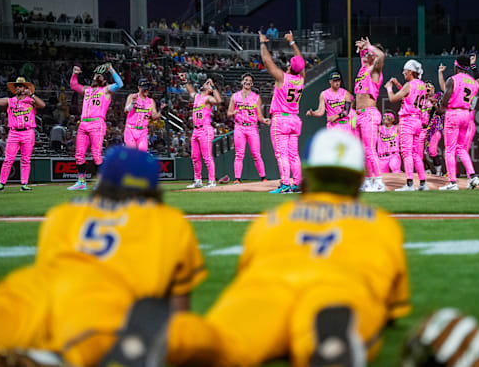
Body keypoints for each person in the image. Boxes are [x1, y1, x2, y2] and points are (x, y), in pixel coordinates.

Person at [162, 128, 410, 367]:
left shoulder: (274, 218)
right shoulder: (380, 223)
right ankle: (328, 345)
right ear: (358, 180)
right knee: (335, 326)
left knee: (227, 339)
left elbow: (245, 273)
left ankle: (178, 336)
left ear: (306, 176)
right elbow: (393, 308)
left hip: (269, 286)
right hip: (337, 289)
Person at [0, 146, 207, 366]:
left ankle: (39, 347)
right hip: (102, 298)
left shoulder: (63, 213)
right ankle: (55, 357)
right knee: (88, 340)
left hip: (32, 289)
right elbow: (178, 314)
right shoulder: (167, 220)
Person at [0, 77, 45, 192]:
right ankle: (1, 183)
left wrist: (32, 94)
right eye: (17, 86)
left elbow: (42, 105)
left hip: (28, 132)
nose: (18, 88)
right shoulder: (10, 101)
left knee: (26, 160)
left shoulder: (31, 100)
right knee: (8, 159)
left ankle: (24, 184)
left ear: (25, 88)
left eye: (21, 86)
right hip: (14, 132)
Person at [260, 30, 306, 194]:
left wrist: (263, 43)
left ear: (289, 67)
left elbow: (267, 61)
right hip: (294, 119)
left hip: (281, 119)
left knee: (282, 154)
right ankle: (298, 183)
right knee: (294, 154)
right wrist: (292, 42)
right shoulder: (301, 79)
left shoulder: (283, 78)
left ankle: (285, 184)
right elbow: (301, 62)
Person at [67, 63, 124, 191]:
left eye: (100, 76)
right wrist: (74, 73)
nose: (97, 76)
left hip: (96, 124)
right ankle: (81, 182)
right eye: (95, 75)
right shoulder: (87, 90)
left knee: (96, 154)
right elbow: (73, 85)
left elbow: (120, 84)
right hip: (83, 124)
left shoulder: (106, 90)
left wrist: (111, 69)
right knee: (79, 155)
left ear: (104, 80)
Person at [436, 55, 479, 191]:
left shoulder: (453, 79)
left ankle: (452, 182)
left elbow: (444, 100)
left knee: (449, 149)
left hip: (453, 113)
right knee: (461, 148)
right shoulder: (474, 83)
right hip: (466, 114)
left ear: (456, 66)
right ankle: (472, 176)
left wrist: (439, 107)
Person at [385, 59, 429, 191]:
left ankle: (410, 184)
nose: (403, 72)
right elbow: (410, 96)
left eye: (405, 70)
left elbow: (393, 99)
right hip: (418, 121)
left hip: (407, 120)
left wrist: (388, 88)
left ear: (410, 71)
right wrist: (399, 85)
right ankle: (422, 183)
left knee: (406, 153)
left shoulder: (409, 85)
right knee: (416, 154)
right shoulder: (422, 85)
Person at [353, 37, 386, 192]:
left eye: (368, 54)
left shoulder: (375, 71)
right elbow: (364, 57)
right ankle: (367, 181)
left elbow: (381, 56)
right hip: (359, 114)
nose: (366, 55)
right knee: (363, 150)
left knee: (370, 149)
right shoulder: (363, 69)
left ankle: (379, 182)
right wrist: (362, 49)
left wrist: (369, 46)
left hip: (369, 114)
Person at [227, 73, 270, 184]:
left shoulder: (256, 97)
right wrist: (234, 112)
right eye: (245, 80)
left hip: (252, 127)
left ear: (252, 84)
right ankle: (237, 179)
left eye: (250, 81)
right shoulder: (235, 96)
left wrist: (264, 120)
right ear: (242, 82)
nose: (247, 82)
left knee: (256, 154)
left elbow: (259, 115)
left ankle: (263, 177)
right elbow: (228, 113)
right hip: (239, 126)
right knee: (239, 154)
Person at [181, 74, 222, 189]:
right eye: (206, 83)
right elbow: (190, 92)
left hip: (205, 129)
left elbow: (218, 100)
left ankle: (212, 181)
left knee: (207, 156)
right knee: (194, 156)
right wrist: (185, 81)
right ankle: (197, 180)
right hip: (196, 129)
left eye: (207, 84)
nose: (205, 84)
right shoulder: (197, 97)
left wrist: (213, 87)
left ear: (209, 89)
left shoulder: (208, 98)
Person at [124, 79, 164, 152]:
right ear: (139, 88)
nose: (146, 90)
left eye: (147, 88)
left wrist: (161, 110)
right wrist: (132, 103)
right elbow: (126, 110)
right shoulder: (132, 96)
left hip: (143, 130)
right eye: (144, 88)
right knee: (131, 153)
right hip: (131, 129)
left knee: (142, 153)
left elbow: (154, 116)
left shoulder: (150, 101)